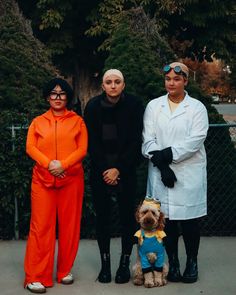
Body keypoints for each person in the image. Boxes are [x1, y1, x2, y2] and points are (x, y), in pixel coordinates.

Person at [142, 62, 209, 283]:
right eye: (168, 79)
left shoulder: (197, 107)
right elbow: (148, 140)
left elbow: (195, 140)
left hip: (188, 172)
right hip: (161, 174)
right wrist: (162, 167)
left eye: (177, 79)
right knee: (166, 221)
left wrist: (168, 156)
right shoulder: (154, 106)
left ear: (185, 81)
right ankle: (174, 262)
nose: (171, 83)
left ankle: (192, 262)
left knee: (189, 222)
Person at [24, 78, 88, 293]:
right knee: (41, 228)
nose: (58, 97)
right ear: (47, 97)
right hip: (42, 181)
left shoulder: (77, 121)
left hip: (71, 180)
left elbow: (82, 149)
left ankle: (64, 271)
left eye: (62, 94)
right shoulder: (38, 122)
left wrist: (64, 165)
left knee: (70, 227)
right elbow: (31, 147)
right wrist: (49, 164)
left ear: (67, 97)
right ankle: (35, 276)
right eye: (53, 93)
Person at [84, 69, 144, 284]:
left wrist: (119, 168)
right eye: (108, 82)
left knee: (128, 219)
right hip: (101, 171)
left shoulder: (134, 105)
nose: (113, 85)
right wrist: (106, 170)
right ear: (103, 86)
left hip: (125, 171)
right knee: (103, 219)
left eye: (117, 82)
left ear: (123, 85)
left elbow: (136, 141)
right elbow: (91, 142)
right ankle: (106, 265)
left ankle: (124, 264)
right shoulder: (92, 107)